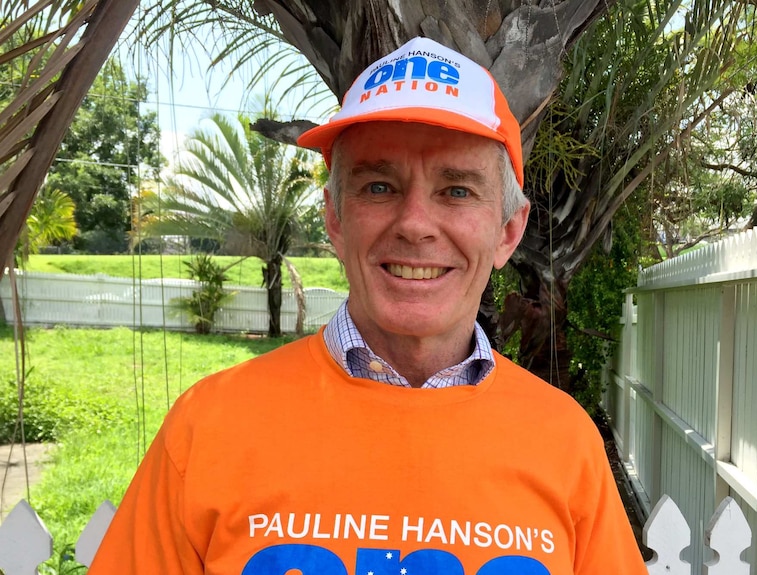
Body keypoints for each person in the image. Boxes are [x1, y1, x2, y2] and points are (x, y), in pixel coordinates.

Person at [89, 37, 648, 575]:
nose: (414, 225)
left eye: (456, 191)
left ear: (507, 231)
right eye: (379, 187)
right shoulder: (206, 429)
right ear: (334, 218)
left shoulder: (567, 444)